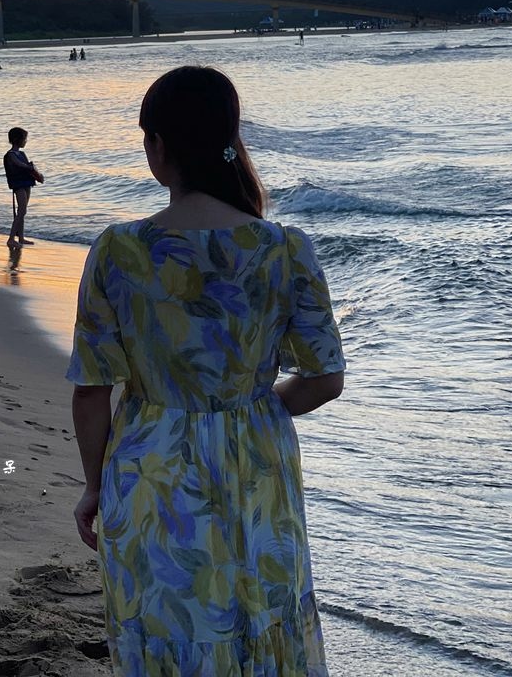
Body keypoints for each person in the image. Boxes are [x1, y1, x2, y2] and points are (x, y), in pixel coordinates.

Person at [67, 65, 345, 675]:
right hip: (257, 463)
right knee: (261, 623)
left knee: (167, 624)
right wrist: (254, 403)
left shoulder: (119, 249)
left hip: (151, 463)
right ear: (228, 139)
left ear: (158, 147)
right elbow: (325, 379)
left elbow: (92, 387)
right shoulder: (285, 247)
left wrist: (94, 485)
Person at [3, 127, 44, 248]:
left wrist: (36, 174)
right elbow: (20, 165)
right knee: (22, 211)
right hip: (18, 184)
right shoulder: (11, 155)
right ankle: (11, 238)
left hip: (27, 183)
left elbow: (27, 166)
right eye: (24, 139)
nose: (25, 141)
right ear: (17, 139)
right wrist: (30, 168)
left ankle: (20, 237)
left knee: (22, 211)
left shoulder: (22, 154)